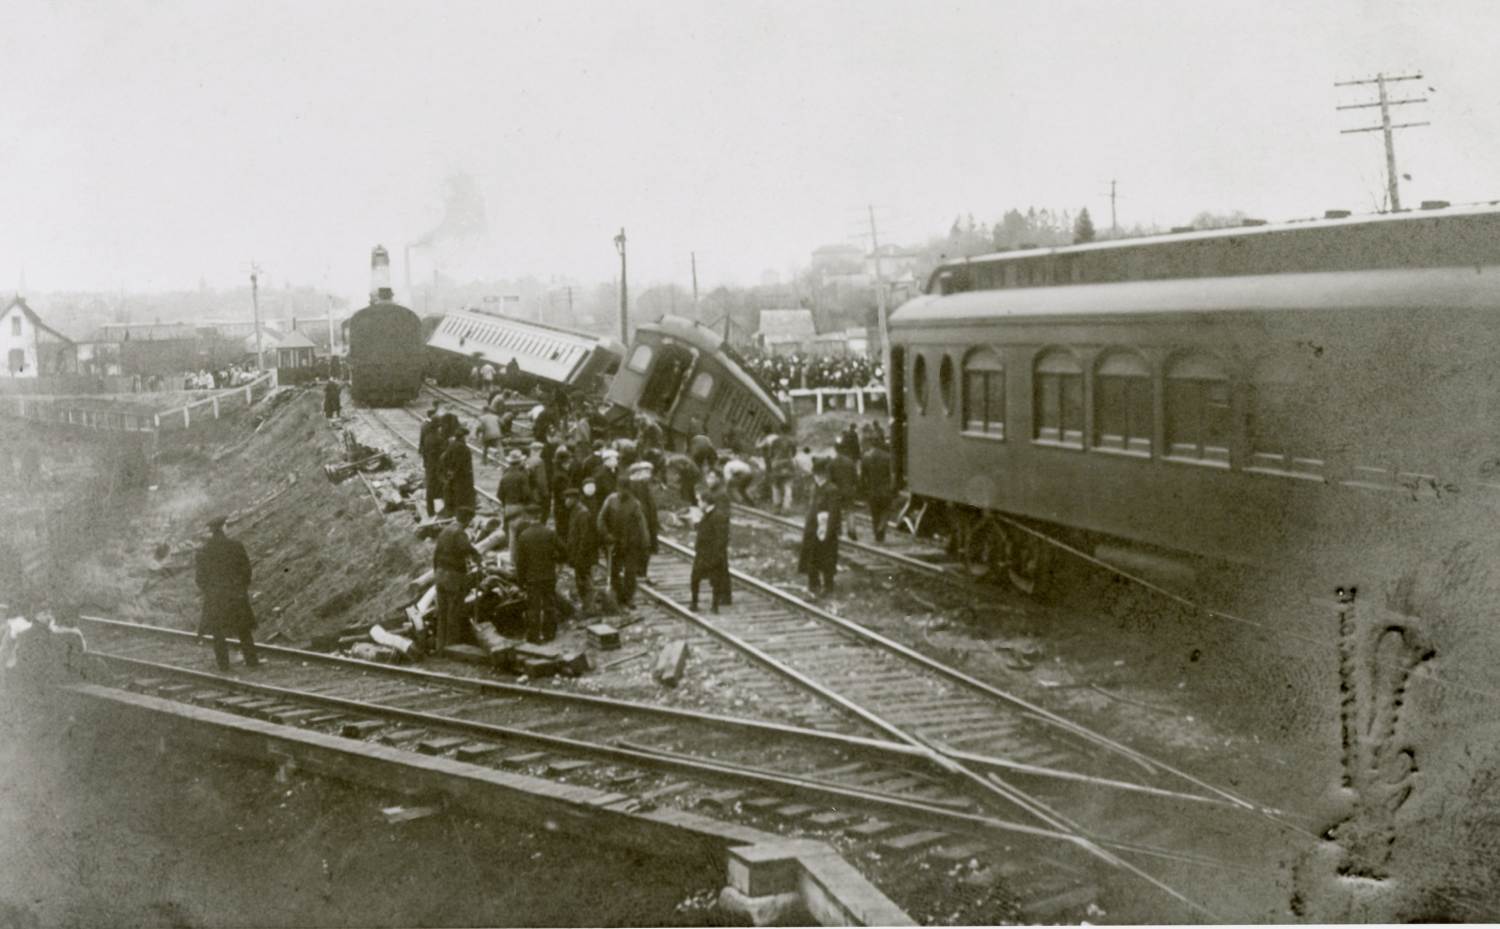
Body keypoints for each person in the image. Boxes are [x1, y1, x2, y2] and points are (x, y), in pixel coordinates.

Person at [195, 516, 260, 671]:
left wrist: (210, 591)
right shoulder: (235, 546)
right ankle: (251, 661)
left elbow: (200, 579)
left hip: (215, 596)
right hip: (236, 594)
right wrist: (241, 588)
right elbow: (246, 571)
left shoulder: (203, 551)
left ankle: (223, 665)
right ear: (224, 527)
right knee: (243, 629)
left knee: (218, 632)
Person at [514, 505, 567, 644]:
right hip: (549, 576)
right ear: (540, 516)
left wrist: (520, 582)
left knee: (534, 608)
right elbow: (564, 550)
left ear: (528, 517)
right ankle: (550, 634)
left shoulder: (524, 536)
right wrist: (556, 560)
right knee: (550, 605)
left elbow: (520, 563)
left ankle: (534, 637)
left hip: (532, 579)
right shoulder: (549, 533)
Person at [432, 507, 482, 649]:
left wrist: (436, 572)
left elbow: (435, 554)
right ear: (467, 520)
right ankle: (452, 646)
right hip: (452, 576)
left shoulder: (444, 531)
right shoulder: (459, 533)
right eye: (470, 521)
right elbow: (466, 548)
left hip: (440, 574)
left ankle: (439, 646)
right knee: (453, 612)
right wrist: (476, 555)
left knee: (442, 612)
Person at [597, 479, 650, 610]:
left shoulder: (635, 504)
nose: (621, 492)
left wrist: (645, 543)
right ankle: (618, 596)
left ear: (628, 490)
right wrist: (606, 535)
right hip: (614, 542)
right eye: (620, 489)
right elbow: (601, 519)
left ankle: (628, 597)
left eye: (624, 490)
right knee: (613, 570)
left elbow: (642, 525)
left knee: (630, 572)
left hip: (631, 543)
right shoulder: (610, 500)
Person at [798, 458, 842, 598]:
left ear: (822, 474)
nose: (816, 477)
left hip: (824, 529)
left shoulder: (831, 489)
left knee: (826, 558)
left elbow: (834, 513)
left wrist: (829, 531)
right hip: (812, 529)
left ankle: (828, 586)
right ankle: (814, 584)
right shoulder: (816, 488)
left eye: (818, 474)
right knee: (812, 557)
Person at [690, 489, 732, 612]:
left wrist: (717, 554)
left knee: (711, 579)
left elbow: (721, 537)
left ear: (705, 502)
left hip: (710, 553)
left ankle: (711, 605)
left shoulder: (717, 516)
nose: (698, 504)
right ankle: (696, 604)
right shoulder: (709, 514)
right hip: (704, 552)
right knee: (698, 578)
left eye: (699, 501)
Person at [563, 485, 599, 615]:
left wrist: (579, 555)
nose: (565, 501)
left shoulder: (582, 513)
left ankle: (590, 608)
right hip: (578, 553)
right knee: (581, 581)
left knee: (586, 581)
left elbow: (585, 537)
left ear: (574, 499)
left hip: (583, 555)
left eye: (568, 498)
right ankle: (587, 607)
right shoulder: (575, 511)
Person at [497, 448, 533, 564]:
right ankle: (524, 561)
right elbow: (526, 494)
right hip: (520, 507)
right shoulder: (522, 476)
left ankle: (513, 561)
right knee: (523, 535)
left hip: (508, 507)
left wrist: (506, 504)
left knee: (512, 536)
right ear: (520, 462)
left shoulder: (505, 475)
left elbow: (499, 494)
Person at [860, 434, 896, 544]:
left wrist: (863, 489)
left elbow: (863, 476)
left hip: (872, 489)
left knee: (874, 513)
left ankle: (877, 535)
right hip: (885, 489)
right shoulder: (888, 457)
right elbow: (892, 475)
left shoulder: (866, 456)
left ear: (871, 443)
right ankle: (882, 527)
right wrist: (893, 487)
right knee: (886, 510)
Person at [627, 460, 659, 580]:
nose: (648, 475)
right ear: (636, 473)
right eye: (645, 472)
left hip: (647, 522)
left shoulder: (644, 486)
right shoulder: (632, 486)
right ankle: (638, 573)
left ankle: (641, 573)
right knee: (639, 549)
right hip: (638, 524)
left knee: (645, 549)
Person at [419, 402, 449, 517]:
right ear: (437, 426)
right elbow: (444, 453)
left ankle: (430, 511)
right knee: (442, 487)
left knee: (430, 489)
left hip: (429, 466)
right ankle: (443, 511)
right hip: (437, 467)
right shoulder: (437, 438)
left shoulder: (428, 437)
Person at [441, 426, 476, 516]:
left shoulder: (452, 445)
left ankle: (454, 513)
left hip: (455, 476)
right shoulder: (463, 448)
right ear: (463, 436)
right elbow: (459, 463)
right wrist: (455, 472)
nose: (469, 438)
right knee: (462, 497)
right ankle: (460, 515)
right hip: (463, 477)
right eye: (467, 436)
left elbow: (444, 459)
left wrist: (449, 471)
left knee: (455, 495)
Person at [830, 444, 860, 541]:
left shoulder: (832, 463)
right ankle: (852, 531)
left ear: (836, 450)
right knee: (850, 511)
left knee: (836, 510)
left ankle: (839, 530)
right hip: (848, 490)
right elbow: (855, 477)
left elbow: (830, 479)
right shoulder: (850, 462)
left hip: (836, 491)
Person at [767, 428, 797, 513]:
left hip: (777, 464)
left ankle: (776, 506)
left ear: (780, 431)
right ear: (789, 431)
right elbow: (794, 453)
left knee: (775, 486)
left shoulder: (775, 441)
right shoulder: (792, 441)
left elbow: (771, 454)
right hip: (788, 463)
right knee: (788, 486)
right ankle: (786, 508)